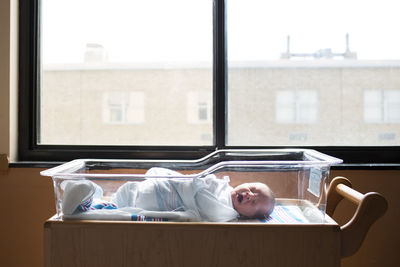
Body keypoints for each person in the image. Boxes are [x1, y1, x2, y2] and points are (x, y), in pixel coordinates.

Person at [61, 167, 275, 222]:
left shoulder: (226, 213)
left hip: (161, 200)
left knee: (120, 210)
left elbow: (203, 202)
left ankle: (79, 208)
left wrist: (196, 185)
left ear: (247, 216)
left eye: (253, 201)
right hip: (160, 188)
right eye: (251, 189)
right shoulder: (224, 187)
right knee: (124, 195)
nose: (248, 194)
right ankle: (91, 198)